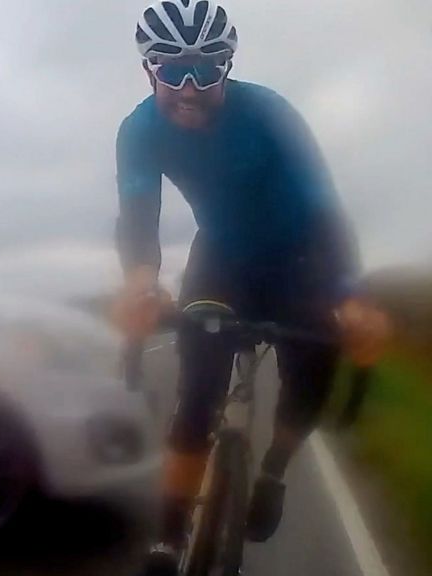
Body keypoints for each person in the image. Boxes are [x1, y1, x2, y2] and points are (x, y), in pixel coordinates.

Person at [110, 1, 392, 574]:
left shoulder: (268, 114)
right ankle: (168, 537)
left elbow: (322, 205)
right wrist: (141, 282)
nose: (189, 88)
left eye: (206, 68)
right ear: (148, 69)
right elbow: (139, 214)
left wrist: (349, 294)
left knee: (311, 373)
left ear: (228, 66)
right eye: (173, 70)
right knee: (197, 393)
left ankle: (274, 471)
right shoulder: (139, 130)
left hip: (302, 259)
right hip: (223, 260)